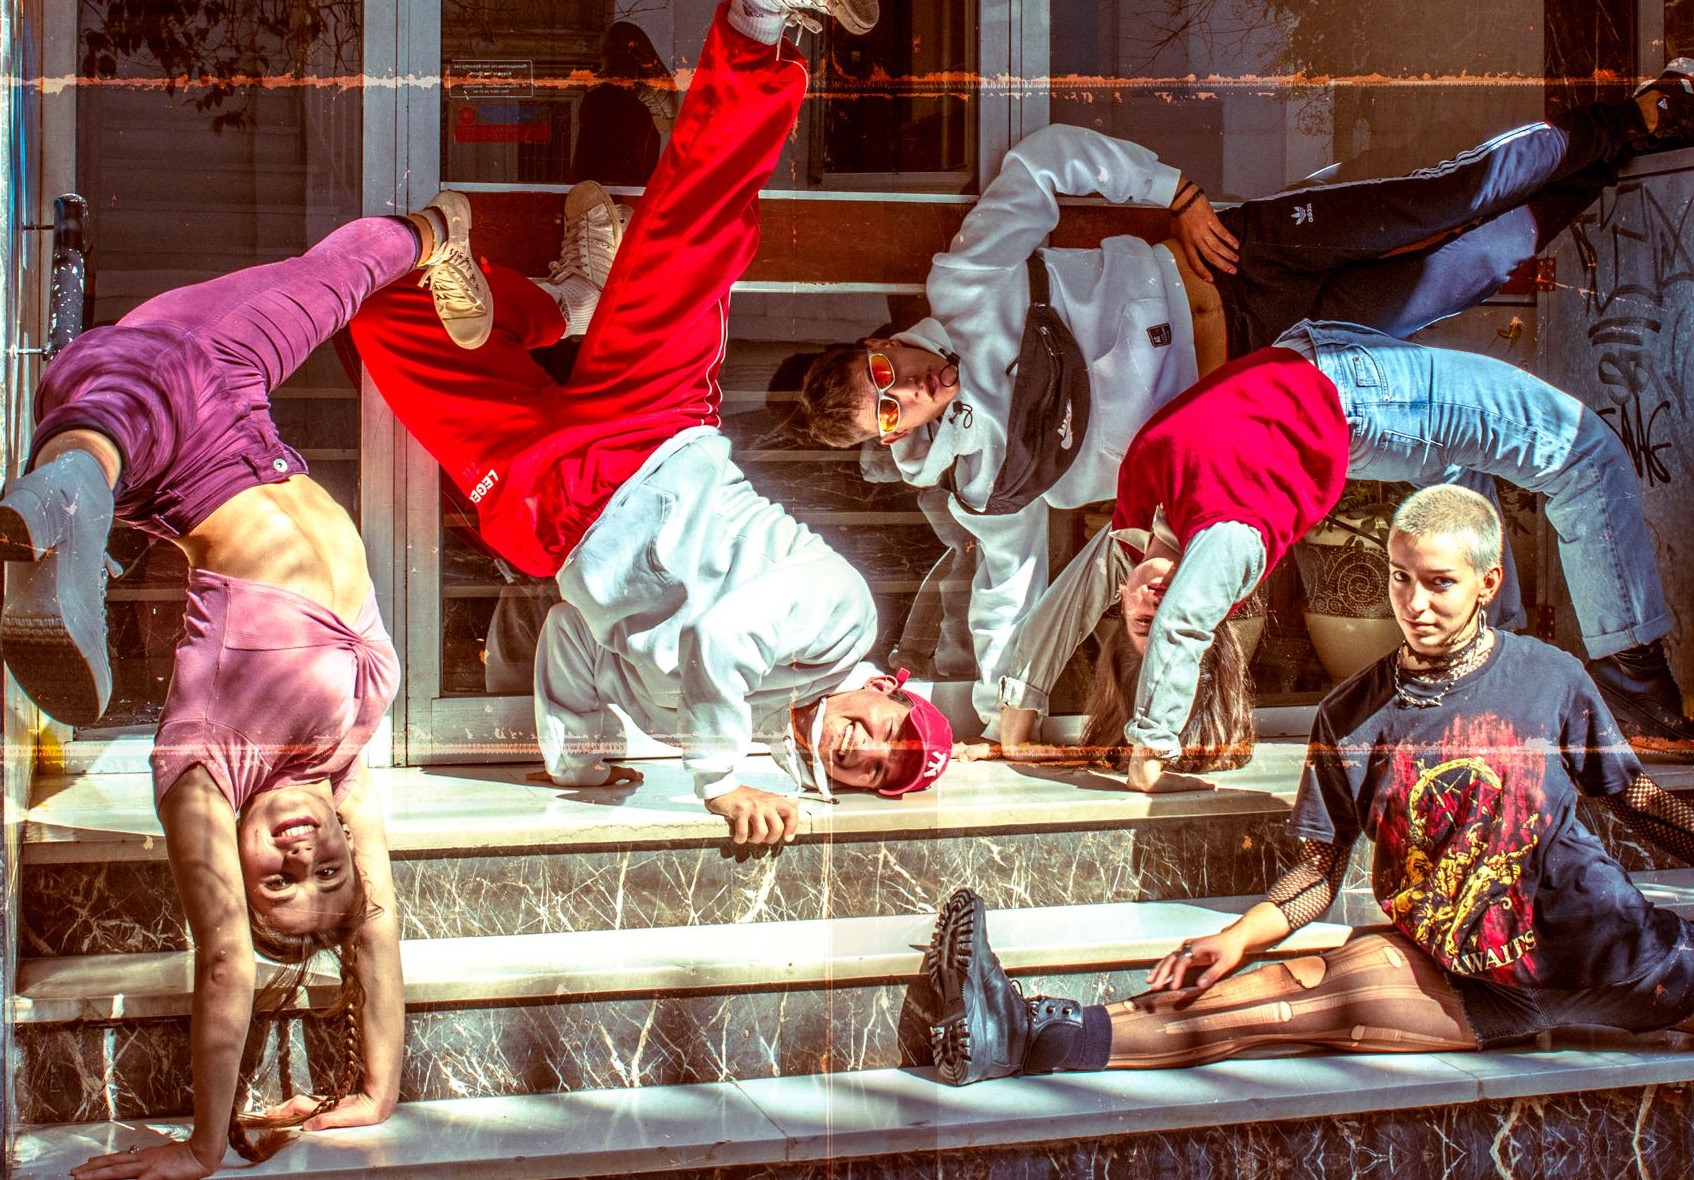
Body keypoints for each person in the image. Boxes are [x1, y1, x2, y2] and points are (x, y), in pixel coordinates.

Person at [789, 68, 1694, 738]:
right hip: (1272, 375)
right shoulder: (989, 487)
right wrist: (1006, 716)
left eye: (885, 372)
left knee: (1439, 201)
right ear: (893, 439)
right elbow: (1008, 597)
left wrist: (1174, 194)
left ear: (882, 343)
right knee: (1473, 267)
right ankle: (1615, 162)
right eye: (888, 411)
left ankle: (1635, 118)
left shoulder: (964, 287)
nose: (907, 389)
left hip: (1234, 266)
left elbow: (1042, 165)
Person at [348, 0, 953, 849]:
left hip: (555, 516)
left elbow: (573, 638)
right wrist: (720, 784)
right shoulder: (843, 621)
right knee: (697, 229)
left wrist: (578, 764)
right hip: (658, 434)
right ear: (890, 689)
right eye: (896, 734)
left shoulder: (693, 723)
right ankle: (760, 26)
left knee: (383, 314)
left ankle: (566, 305)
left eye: (881, 772)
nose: (872, 749)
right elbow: (723, 636)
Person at [2, 201, 492, 1178]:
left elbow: (225, 956)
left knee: (113, 412)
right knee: (348, 269)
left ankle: (68, 498)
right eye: (328, 874)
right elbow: (378, 923)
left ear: (234, 859)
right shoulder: (341, 765)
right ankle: (441, 232)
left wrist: (203, 1145)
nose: (306, 855)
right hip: (232, 384)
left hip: (158, 445)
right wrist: (375, 1088)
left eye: (277, 878)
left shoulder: (203, 763)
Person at [925, 485, 1694, 1085]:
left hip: (1612, 953)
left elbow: (1635, 799)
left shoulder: (1550, 677)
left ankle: (1026, 1032)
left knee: (1300, 1007)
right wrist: (1236, 936)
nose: (1415, 604)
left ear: (1488, 582)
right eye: (1401, 579)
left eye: (1440, 584)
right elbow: (1319, 874)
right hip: (1466, 970)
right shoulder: (1350, 714)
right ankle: (1028, 1029)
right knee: (1288, 988)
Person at [978, 316, 1694, 795]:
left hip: (1321, 360)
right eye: (1161, 617)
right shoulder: (1231, 534)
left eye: (1138, 615)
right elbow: (1184, 624)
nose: (1154, 599)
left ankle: (1491, 683)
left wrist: (1018, 716)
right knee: (1584, 454)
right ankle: (1633, 690)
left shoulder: (1138, 527)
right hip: (1364, 396)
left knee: (1459, 490)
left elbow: (1065, 604)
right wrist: (1151, 749)